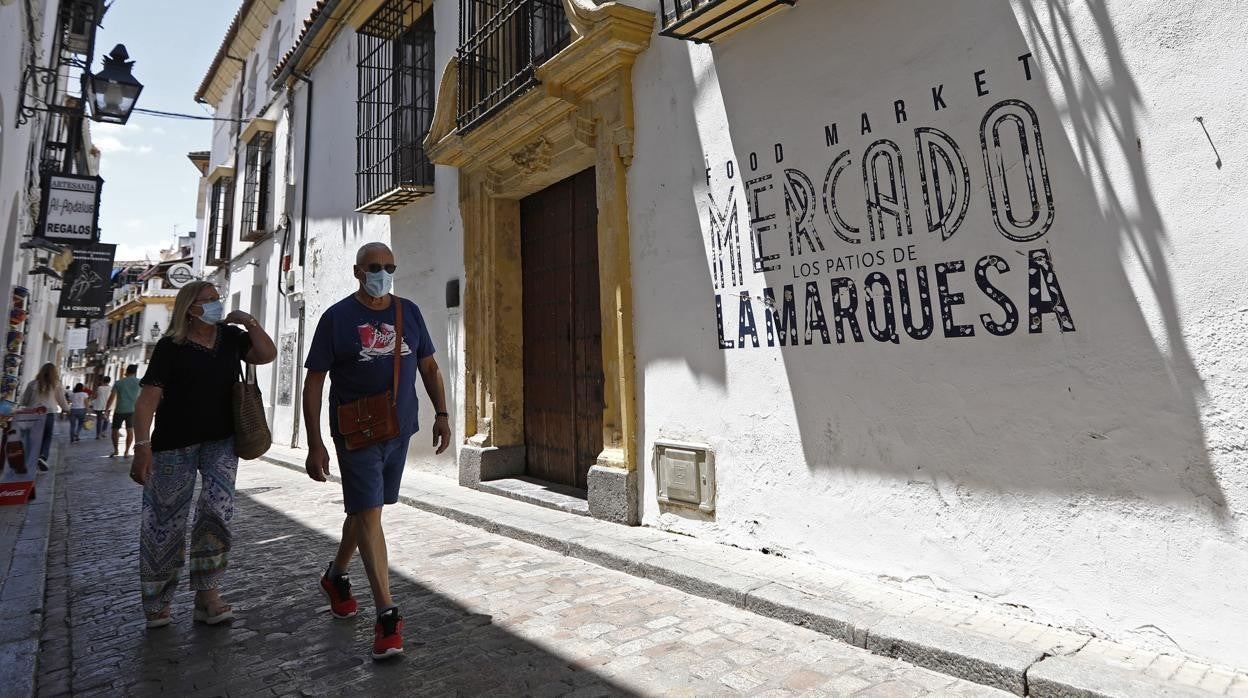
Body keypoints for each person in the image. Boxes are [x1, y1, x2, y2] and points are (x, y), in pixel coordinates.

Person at [302, 242, 450, 660]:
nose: (382, 273)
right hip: (356, 434)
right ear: (357, 271)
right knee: (368, 513)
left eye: (389, 266)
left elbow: (430, 367)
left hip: (398, 430)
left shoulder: (409, 312)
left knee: (368, 511)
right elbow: (314, 383)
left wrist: (442, 413)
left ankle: (335, 576)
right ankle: (387, 615)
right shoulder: (337, 319)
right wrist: (314, 442)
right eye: (374, 267)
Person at [128, 281, 276, 629]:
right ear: (189, 308)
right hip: (173, 445)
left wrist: (250, 323)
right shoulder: (171, 347)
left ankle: (208, 596)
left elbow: (266, 354)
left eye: (217, 299)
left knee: (217, 514)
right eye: (207, 300)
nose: (215, 304)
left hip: (222, 442)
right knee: (163, 522)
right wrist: (141, 446)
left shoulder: (230, 339)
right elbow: (148, 400)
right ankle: (157, 599)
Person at [20, 363, 69, 470]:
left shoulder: (32, 384)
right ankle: (43, 456)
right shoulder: (56, 385)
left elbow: (24, 401)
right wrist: (67, 410)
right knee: (47, 436)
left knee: (32, 437)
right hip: (48, 414)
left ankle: (31, 459)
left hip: (33, 414)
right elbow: (62, 401)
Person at [107, 365, 141, 457]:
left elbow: (112, 397)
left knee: (115, 430)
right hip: (133, 410)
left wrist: (107, 409)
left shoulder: (119, 383)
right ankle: (126, 452)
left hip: (120, 410)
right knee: (130, 430)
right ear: (135, 372)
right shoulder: (140, 382)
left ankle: (116, 450)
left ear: (127, 371)